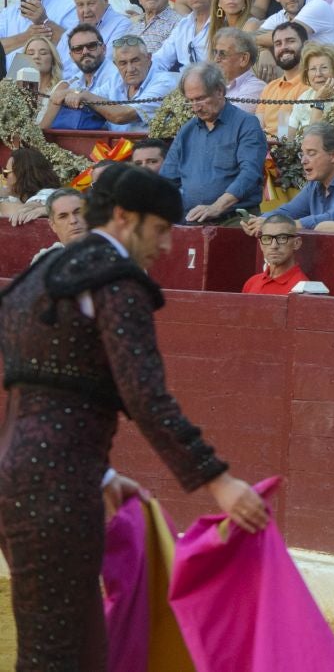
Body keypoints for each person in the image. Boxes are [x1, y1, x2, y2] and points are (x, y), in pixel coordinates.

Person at [0, 165, 269, 669]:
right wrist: (220, 482)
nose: (167, 245)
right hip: (58, 487)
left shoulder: (37, 278)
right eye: (161, 229)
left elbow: (40, 392)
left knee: (63, 647)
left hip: (19, 479)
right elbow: (147, 397)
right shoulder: (115, 280)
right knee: (62, 655)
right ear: (125, 218)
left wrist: (98, 472)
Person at [159, 62, 267, 223]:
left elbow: (249, 174)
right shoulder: (187, 131)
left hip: (234, 218)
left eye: (201, 99)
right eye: (190, 101)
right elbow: (166, 181)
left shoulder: (246, 124)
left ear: (220, 91)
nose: (195, 108)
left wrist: (216, 207)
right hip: (192, 218)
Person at [239, 212, 310, 295]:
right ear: (261, 244)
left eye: (282, 238)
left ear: (296, 243)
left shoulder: (301, 288)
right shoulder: (252, 282)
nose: (274, 246)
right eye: (267, 239)